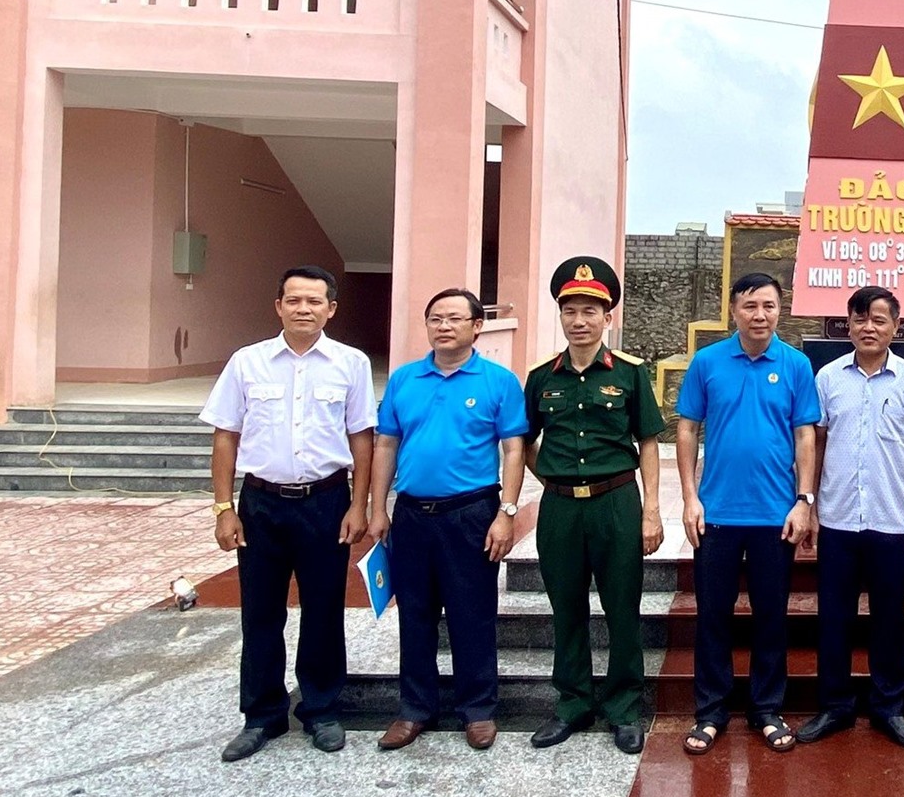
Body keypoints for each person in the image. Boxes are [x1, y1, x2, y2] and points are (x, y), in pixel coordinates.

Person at [203, 265, 375, 761]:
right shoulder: (246, 362)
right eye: (294, 300)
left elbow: (361, 437)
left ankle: (320, 710)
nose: (304, 309)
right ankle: (262, 716)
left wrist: (358, 505)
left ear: (331, 309)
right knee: (260, 613)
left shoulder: (351, 363)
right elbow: (225, 436)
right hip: (260, 505)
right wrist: (224, 508)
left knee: (323, 610)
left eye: (314, 301)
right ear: (278, 306)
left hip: (325, 503)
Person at [367, 289, 528, 751]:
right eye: (435, 317)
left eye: (455, 318)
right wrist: (379, 507)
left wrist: (507, 512)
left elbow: (514, 448)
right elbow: (385, 445)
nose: (444, 326)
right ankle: (415, 709)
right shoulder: (404, 380)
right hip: (414, 514)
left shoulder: (498, 381)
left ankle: (477, 709)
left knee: (471, 615)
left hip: (472, 514)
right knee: (414, 615)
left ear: (477, 326)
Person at [674, 272, 820, 756]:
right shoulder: (708, 362)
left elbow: (805, 436)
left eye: (769, 306)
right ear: (734, 309)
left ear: (781, 310)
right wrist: (690, 496)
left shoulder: (796, 365)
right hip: (716, 514)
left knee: (770, 617)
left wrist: (804, 499)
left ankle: (765, 708)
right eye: (750, 306)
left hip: (775, 515)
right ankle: (711, 711)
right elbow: (689, 429)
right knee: (713, 615)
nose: (760, 315)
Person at [524, 256, 665, 753]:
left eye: (590, 311)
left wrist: (651, 511)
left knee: (622, 607)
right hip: (560, 509)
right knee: (566, 608)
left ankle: (625, 707)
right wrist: (553, 478)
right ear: (560, 316)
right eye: (570, 311)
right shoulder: (542, 377)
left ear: (609, 318)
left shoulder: (629, 374)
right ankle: (573, 703)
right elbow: (523, 441)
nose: (579, 321)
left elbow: (648, 442)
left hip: (616, 503)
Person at [796, 285, 904, 750]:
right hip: (836, 518)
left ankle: (889, 706)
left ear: (896, 326)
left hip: (892, 519)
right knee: (833, 618)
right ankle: (835, 705)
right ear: (848, 325)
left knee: (888, 619)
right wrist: (810, 503)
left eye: (879, 319)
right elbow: (814, 442)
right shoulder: (828, 378)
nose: (869, 327)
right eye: (860, 319)